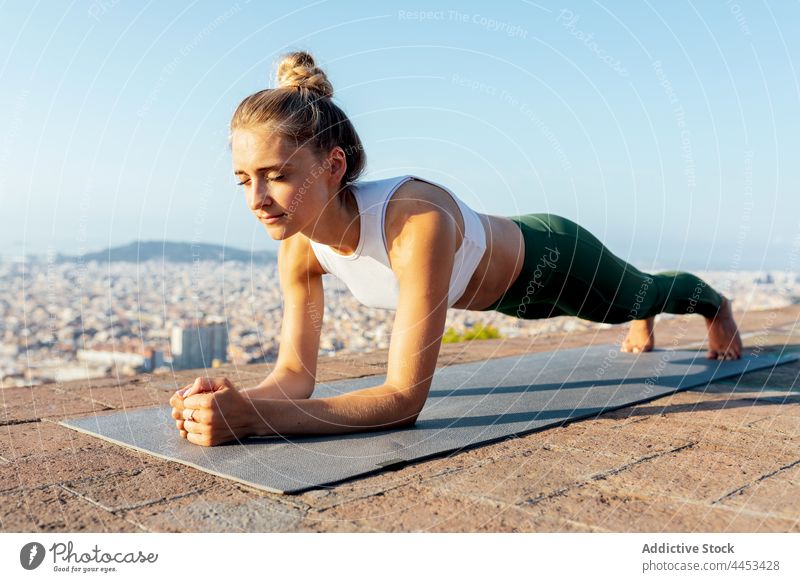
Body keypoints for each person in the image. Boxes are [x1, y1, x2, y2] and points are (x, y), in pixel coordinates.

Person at [170, 50, 743, 447]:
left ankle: (715, 305)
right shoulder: (300, 249)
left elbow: (402, 400)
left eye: (277, 175)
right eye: (244, 180)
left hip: (553, 261)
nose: (258, 198)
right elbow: (295, 376)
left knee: (636, 296)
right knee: (630, 303)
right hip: (501, 299)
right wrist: (240, 400)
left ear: (333, 165)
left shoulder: (414, 219)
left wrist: (258, 422)